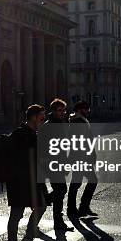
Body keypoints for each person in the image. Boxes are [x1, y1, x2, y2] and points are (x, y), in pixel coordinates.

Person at [6, 104, 48, 241]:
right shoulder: (25, 135)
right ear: (34, 118)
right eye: (42, 118)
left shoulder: (26, 133)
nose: (44, 121)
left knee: (40, 207)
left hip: (24, 181)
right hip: (21, 182)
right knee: (16, 214)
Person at [45, 98, 73, 232]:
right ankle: (57, 220)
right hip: (53, 165)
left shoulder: (59, 123)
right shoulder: (49, 125)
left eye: (64, 110)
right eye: (60, 110)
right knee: (60, 191)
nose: (63, 113)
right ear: (54, 111)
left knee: (60, 191)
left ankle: (58, 221)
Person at [67, 101, 98, 218]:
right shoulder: (77, 122)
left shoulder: (81, 120)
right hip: (80, 158)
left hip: (82, 157)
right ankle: (78, 208)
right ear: (79, 110)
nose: (88, 111)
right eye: (86, 109)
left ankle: (81, 207)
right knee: (84, 182)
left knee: (77, 182)